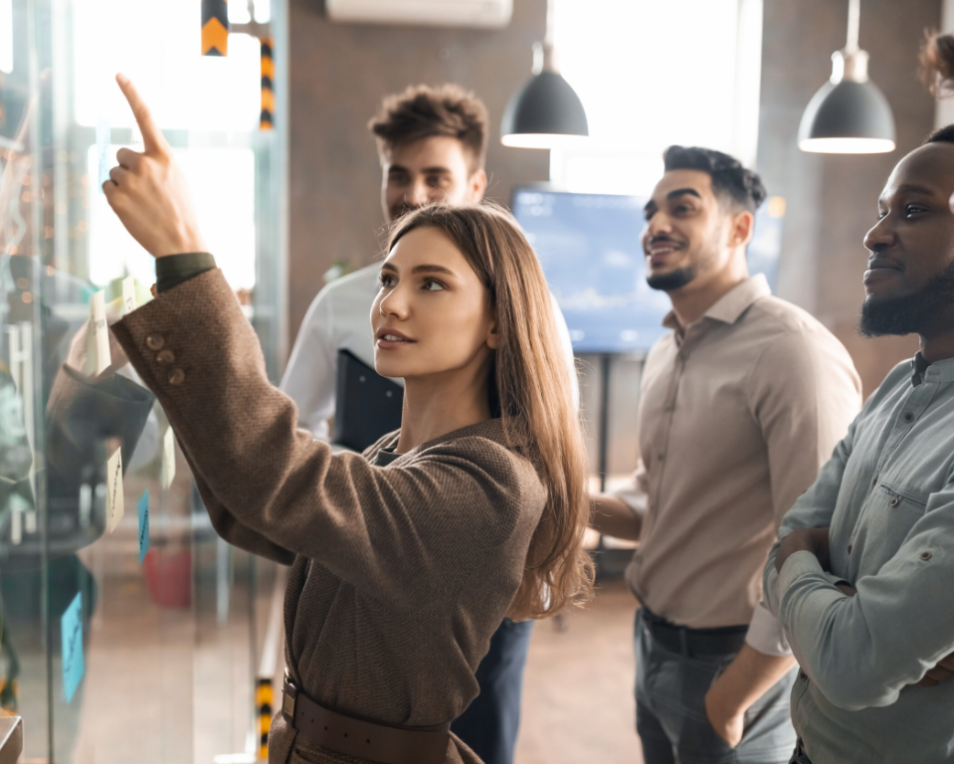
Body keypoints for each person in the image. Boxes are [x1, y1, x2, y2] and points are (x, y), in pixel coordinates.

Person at [102, 73, 593, 764]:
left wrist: (185, 255)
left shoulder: (493, 483)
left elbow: (271, 467)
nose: (390, 304)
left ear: (496, 325)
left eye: (431, 284)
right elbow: (251, 504)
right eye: (391, 278)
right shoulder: (399, 454)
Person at [280, 83, 578, 764]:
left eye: (435, 177)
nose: (415, 194)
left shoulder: (533, 313)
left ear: (475, 183)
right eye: (399, 175)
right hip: (359, 544)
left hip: (474, 564)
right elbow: (290, 428)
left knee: (479, 727)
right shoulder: (341, 304)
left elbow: (552, 438)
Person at [589, 146, 862, 764]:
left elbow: (826, 547)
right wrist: (560, 499)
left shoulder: (791, 351)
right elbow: (653, 504)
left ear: (741, 228)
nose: (656, 225)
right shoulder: (668, 348)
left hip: (736, 665)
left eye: (683, 208)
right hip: (652, 646)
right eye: (651, 211)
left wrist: (735, 694)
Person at [762, 129, 954, 764]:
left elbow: (849, 664)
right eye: (882, 212)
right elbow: (787, 540)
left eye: (915, 210)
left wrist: (803, 569)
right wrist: (843, 606)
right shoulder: (899, 384)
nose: (875, 235)